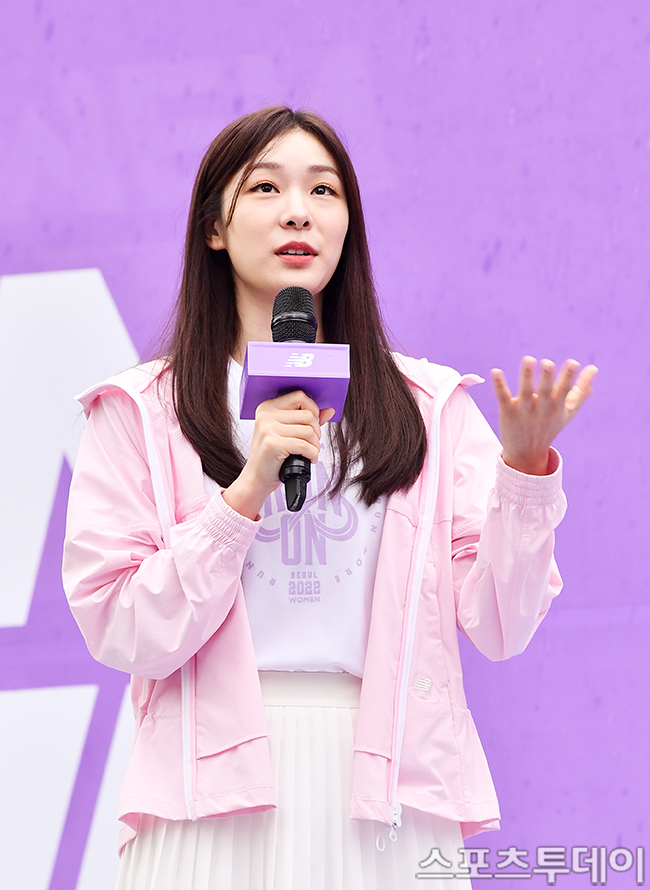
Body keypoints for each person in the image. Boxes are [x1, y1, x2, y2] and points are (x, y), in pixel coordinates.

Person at [62, 106, 597, 890]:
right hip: (208, 798)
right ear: (213, 227)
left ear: (349, 224)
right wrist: (245, 493)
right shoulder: (141, 412)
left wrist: (523, 473)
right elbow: (121, 628)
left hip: (386, 795)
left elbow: (501, 624)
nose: (298, 212)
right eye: (266, 188)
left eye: (324, 190)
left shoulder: (426, 408)